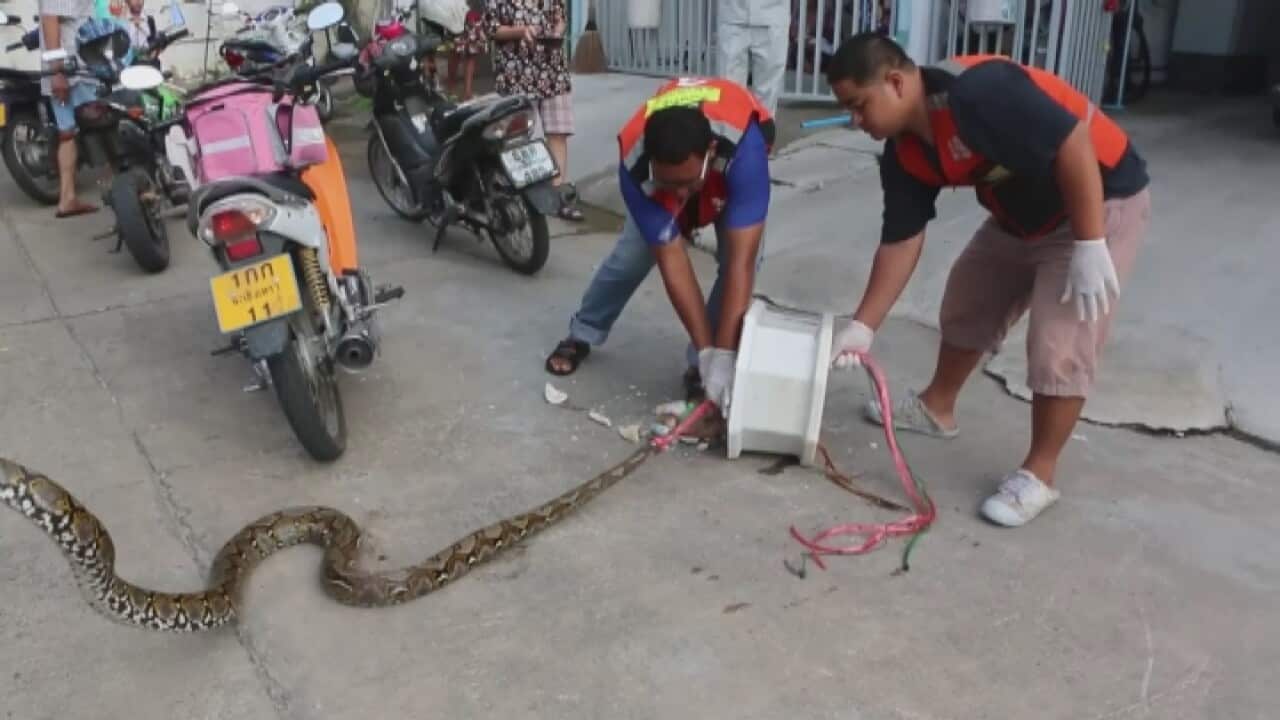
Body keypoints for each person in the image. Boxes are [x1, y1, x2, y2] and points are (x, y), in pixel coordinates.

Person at [825, 34, 1151, 527]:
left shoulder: (979, 93)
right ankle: (937, 407)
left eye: (858, 105)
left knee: (1059, 343)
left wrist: (1089, 243)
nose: (855, 120)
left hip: (1095, 202)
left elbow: (1073, 141)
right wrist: (862, 326)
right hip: (1021, 215)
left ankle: (1038, 474)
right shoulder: (904, 152)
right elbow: (901, 239)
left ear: (895, 82)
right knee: (968, 299)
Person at [543, 77, 774, 414]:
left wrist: (720, 356)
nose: (679, 195)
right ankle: (584, 331)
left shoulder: (745, 150)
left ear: (709, 152)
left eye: (686, 183)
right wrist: (709, 348)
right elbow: (672, 259)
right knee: (631, 258)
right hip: (679, 174)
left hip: (729, 173)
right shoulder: (634, 164)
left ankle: (702, 366)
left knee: (743, 263)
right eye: (669, 182)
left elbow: (741, 263)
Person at [486, 0, 583, 221]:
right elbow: (493, 28)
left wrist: (558, 31)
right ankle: (519, 197)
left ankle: (558, 198)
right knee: (513, 139)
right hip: (516, 74)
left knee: (558, 133)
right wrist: (521, 31)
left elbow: (560, 18)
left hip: (552, 71)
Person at [38, 0, 100, 218]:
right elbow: (51, 19)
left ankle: (67, 198)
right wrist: (57, 72)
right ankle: (125, 196)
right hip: (74, 71)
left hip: (70, 69)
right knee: (103, 123)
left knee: (68, 133)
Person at [717, 0, 788, 116]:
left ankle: (763, 132)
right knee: (729, 91)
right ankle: (731, 133)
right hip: (732, 14)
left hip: (773, 14)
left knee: (767, 94)